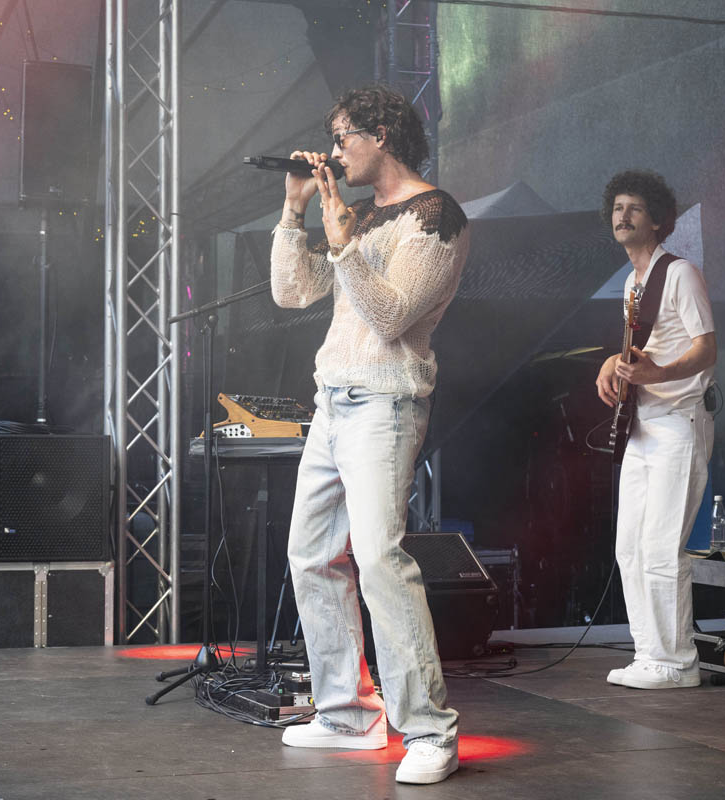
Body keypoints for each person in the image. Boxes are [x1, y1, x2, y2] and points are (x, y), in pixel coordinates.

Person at [269, 85, 469, 784]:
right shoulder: (359, 213)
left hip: (385, 404)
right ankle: (348, 715)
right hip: (332, 402)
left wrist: (343, 243)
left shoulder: (436, 216)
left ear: (381, 134)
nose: (334, 152)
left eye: (342, 136)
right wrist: (295, 213)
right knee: (310, 556)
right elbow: (292, 293)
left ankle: (431, 731)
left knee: (380, 558)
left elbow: (391, 317)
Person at [594, 169, 716, 690]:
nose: (623, 216)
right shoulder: (632, 282)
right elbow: (643, 351)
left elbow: (706, 348)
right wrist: (613, 363)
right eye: (618, 208)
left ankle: (677, 662)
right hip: (643, 425)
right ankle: (649, 654)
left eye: (635, 209)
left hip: (679, 422)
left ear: (659, 221)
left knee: (663, 547)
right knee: (630, 547)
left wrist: (657, 375)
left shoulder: (681, 273)